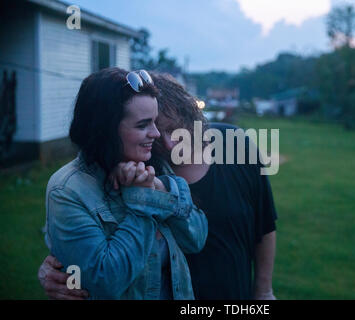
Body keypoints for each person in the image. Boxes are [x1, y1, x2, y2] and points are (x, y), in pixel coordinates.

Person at [39, 72, 277, 300]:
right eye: (147, 125)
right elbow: (93, 256)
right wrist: (58, 266)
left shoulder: (231, 145)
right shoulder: (150, 160)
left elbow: (262, 222)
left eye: (172, 129)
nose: (167, 142)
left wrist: (264, 291)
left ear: (190, 116)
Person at [42, 67, 207, 299]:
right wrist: (141, 203)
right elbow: (105, 281)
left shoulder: (155, 165)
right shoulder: (67, 190)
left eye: (155, 122)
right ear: (105, 130)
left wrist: (159, 188)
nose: (157, 134)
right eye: (143, 125)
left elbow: (196, 238)